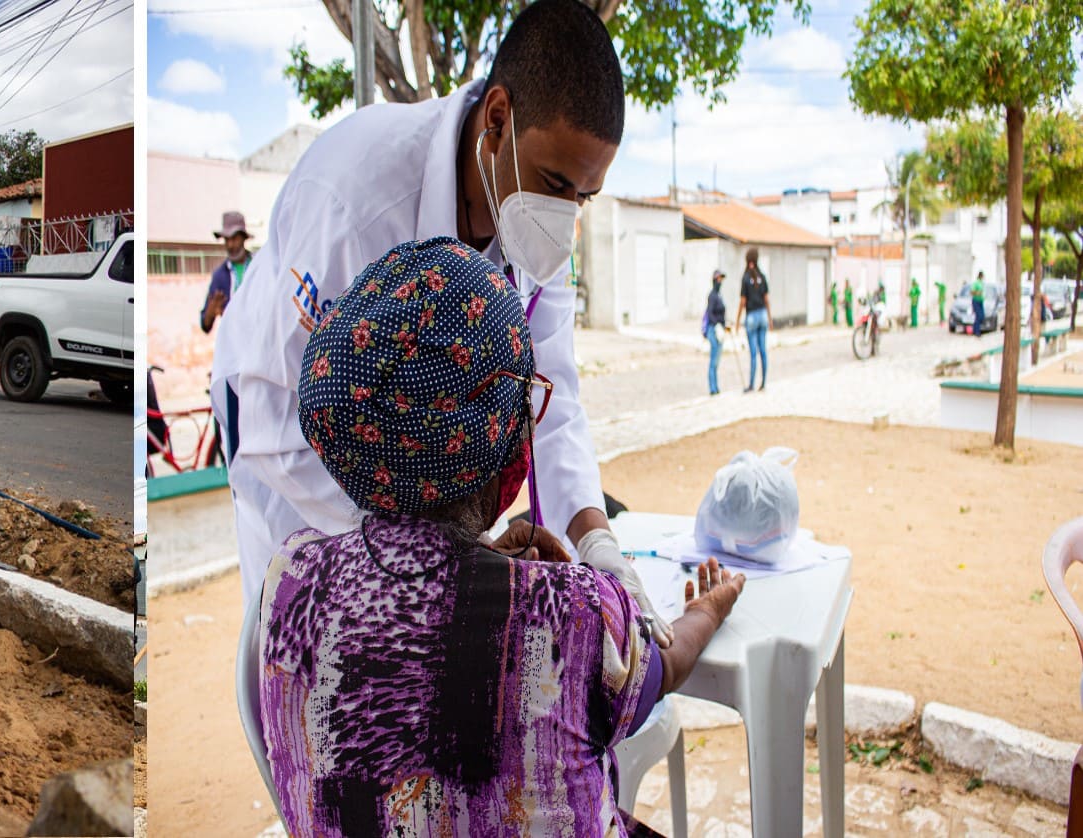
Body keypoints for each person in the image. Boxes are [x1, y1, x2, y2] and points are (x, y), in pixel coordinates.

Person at [209, 0, 671, 803]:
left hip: (433, 508)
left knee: (447, 723)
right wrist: (446, 551)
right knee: (320, 688)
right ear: (497, 118)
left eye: (587, 197)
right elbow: (285, 413)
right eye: (558, 184)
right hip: (286, 454)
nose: (567, 217)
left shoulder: (537, 230)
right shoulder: (354, 200)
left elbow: (551, 397)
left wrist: (594, 538)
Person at [258, 239, 746, 836]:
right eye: (524, 405)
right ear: (499, 440)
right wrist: (707, 607)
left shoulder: (291, 575)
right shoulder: (568, 609)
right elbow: (659, 673)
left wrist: (481, 556)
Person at [200, 211, 252, 333]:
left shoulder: (258, 267)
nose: (230, 245)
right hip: (233, 343)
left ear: (243, 238)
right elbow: (205, 325)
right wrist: (211, 312)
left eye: (234, 239)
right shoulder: (220, 275)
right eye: (226, 240)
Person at [736, 249, 770, 392]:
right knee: (763, 351)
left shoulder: (745, 278)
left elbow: (743, 301)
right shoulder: (762, 276)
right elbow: (767, 300)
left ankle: (751, 384)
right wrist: (770, 318)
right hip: (762, 315)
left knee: (753, 353)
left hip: (751, 317)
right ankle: (763, 383)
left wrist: (737, 321)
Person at [704, 269, 728, 395]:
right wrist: (718, 324)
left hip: (720, 330)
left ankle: (716, 386)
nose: (720, 282)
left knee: (717, 360)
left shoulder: (719, 295)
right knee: (713, 360)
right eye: (718, 279)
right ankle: (712, 388)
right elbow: (710, 313)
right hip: (714, 330)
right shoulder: (712, 296)